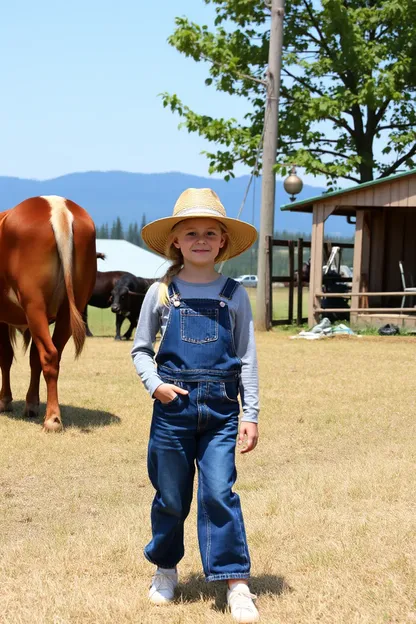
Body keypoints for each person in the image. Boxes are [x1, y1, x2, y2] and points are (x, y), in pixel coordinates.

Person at [131, 188, 260, 623]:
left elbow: (247, 357)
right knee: (170, 496)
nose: (201, 240)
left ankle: (235, 581)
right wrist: (156, 386)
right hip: (173, 411)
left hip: (223, 412)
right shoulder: (161, 293)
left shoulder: (234, 294)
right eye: (191, 233)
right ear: (176, 242)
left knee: (220, 492)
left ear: (223, 241)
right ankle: (166, 569)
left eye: (210, 233)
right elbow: (140, 350)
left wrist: (251, 414)